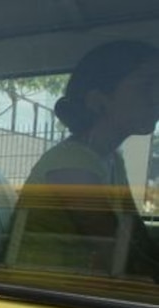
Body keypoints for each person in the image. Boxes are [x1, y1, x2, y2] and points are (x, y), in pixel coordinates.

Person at [16, 40, 159, 279]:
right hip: (44, 290)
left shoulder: (112, 159)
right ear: (98, 100)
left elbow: (134, 234)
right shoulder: (71, 164)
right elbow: (117, 255)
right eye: (146, 86)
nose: (156, 98)